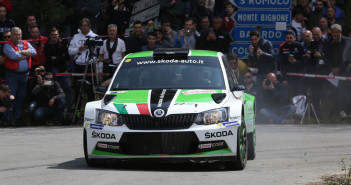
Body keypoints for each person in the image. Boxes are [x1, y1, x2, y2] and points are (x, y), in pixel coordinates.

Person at [2, 27, 36, 125]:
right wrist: (27, 53)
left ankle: (16, 119)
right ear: (12, 35)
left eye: (19, 34)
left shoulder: (25, 43)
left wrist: (20, 52)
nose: (18, 36)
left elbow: (34, 52)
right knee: (10, 97)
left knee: (20, 97)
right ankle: (7, 119)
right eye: (16, 34)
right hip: (13, 75)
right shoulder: (7, 45)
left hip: (24, 75)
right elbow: (13, 56)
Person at [323, 24, 351, 120]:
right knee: (332, 92)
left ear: (340, 32)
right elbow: (325, 57)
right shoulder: (327, 42)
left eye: (337, 32)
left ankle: (345, 112)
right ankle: (334, 113)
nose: (335, 34)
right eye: (333, 32)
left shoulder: (348, 42)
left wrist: (339, 68)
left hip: (344, 71)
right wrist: (332, 68)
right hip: (331, 72)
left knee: (344, 92)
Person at [44, 27, 73, 113]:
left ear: (58, 34)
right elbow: (48, 59)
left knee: (68, 88)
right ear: (50, 35)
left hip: (63, 69)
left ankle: (70, 108)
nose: (54, 36)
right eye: (52, 35)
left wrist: (56, 58)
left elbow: (67, 57)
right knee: (52, 89)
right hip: (52, 70)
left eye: (56, 34)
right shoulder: (47, 45)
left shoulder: (63, 43)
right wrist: (60, 58)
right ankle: (54, 110)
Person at [278, 30, 305, 96]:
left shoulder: (300, 46)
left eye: (291, 38)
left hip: (299, 76)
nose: (289, 39)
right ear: (285, 38)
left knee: (298, 94)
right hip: (288, 76)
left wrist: (296, 62)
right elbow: (281, 64)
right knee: (287, 94)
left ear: (294, 37)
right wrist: (284, 78)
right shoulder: (282, 47)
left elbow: (304, 62)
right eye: (287, 38)